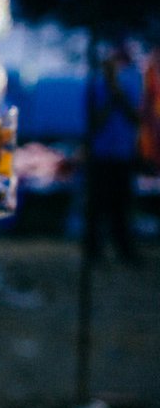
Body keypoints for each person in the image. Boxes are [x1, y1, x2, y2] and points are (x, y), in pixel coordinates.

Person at [86, 46, 142, 264]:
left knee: (122, 205)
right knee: (98, 205)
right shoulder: (95, 87)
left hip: (122, 154)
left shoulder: (130, 85)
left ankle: (124, 247)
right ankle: (95, 250)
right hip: (101, 155)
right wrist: (111, 98)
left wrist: (119, 95)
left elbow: (135, 118)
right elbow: (94, 123)